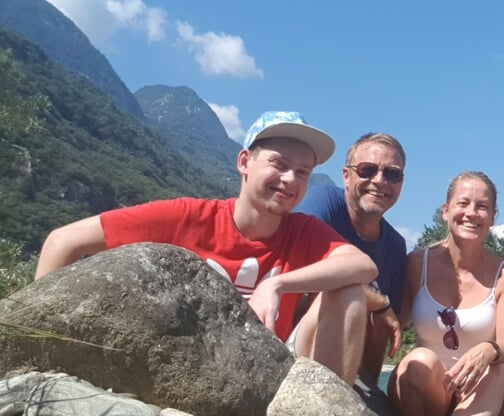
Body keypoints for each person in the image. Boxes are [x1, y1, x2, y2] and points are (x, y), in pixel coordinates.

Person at [34, 111, 377, 385]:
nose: (290, 179)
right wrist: (39, 347)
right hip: (182, 364)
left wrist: (276, 284)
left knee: (349, 291)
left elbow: (361, 266)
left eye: (302, 172)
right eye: (278, 164)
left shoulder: (302, 230)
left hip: (263, 366)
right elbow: (62, 240)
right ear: (244, 162)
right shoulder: (189, 216)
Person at [388, 171, 504, 416]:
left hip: (479, 401)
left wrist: (489, 349)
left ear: (492, 218)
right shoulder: (416, 263)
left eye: (482, 207)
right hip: (424, 397)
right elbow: (393, 324)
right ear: (445, 210)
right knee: (418, 358)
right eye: (463, 203)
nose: (471, 213)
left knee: (501, 371)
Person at [294, 133, 408, 383]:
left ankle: (365, 396)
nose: (379, 181)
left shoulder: (396, 247)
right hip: (292, 346)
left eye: (392, 174)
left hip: (348, 368)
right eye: (367, 170)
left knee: (382, 318)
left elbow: (385, 326)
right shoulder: (323, 203)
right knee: (349, 295)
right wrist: (379, 302)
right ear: (346, 176)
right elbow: (310, 274)